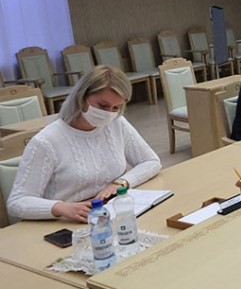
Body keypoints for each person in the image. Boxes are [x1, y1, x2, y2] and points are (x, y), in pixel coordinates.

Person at [7, 65, 161, 223]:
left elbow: (151, 161)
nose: (109, 113)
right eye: (102, 106)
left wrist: (121, 183)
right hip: (64, 221)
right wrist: (60, 207)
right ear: (82, 98)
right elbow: (17, 202)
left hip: (105, 213)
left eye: (116, 107)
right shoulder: (46, 141)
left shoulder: (116, 123)